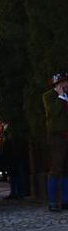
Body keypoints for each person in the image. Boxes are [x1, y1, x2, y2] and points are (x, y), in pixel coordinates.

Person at [44, 72, 68, 211]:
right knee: (56, 168)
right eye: (64, 82)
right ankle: (52, 202)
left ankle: (66, 200)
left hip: (67, 135)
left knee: (66, 169)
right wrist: (60, 96)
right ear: (57, 84)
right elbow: (54, 112)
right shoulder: (48, 96)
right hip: (56, 136)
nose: (66, 84)